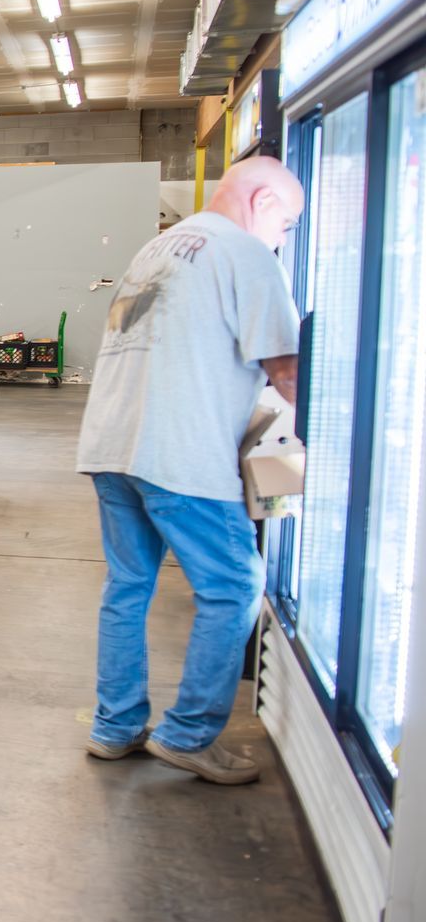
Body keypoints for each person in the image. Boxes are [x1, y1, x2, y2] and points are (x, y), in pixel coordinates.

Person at [76, 156, 303, 786]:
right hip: (179, 451)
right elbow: (287, 372)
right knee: (234, 584)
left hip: (112, 445)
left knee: (128, 588)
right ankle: (188, 734)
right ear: (260, 203)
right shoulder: (248, 255)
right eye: (286, 222)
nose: (283, 236)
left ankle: (115, 727)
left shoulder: (157, 249)